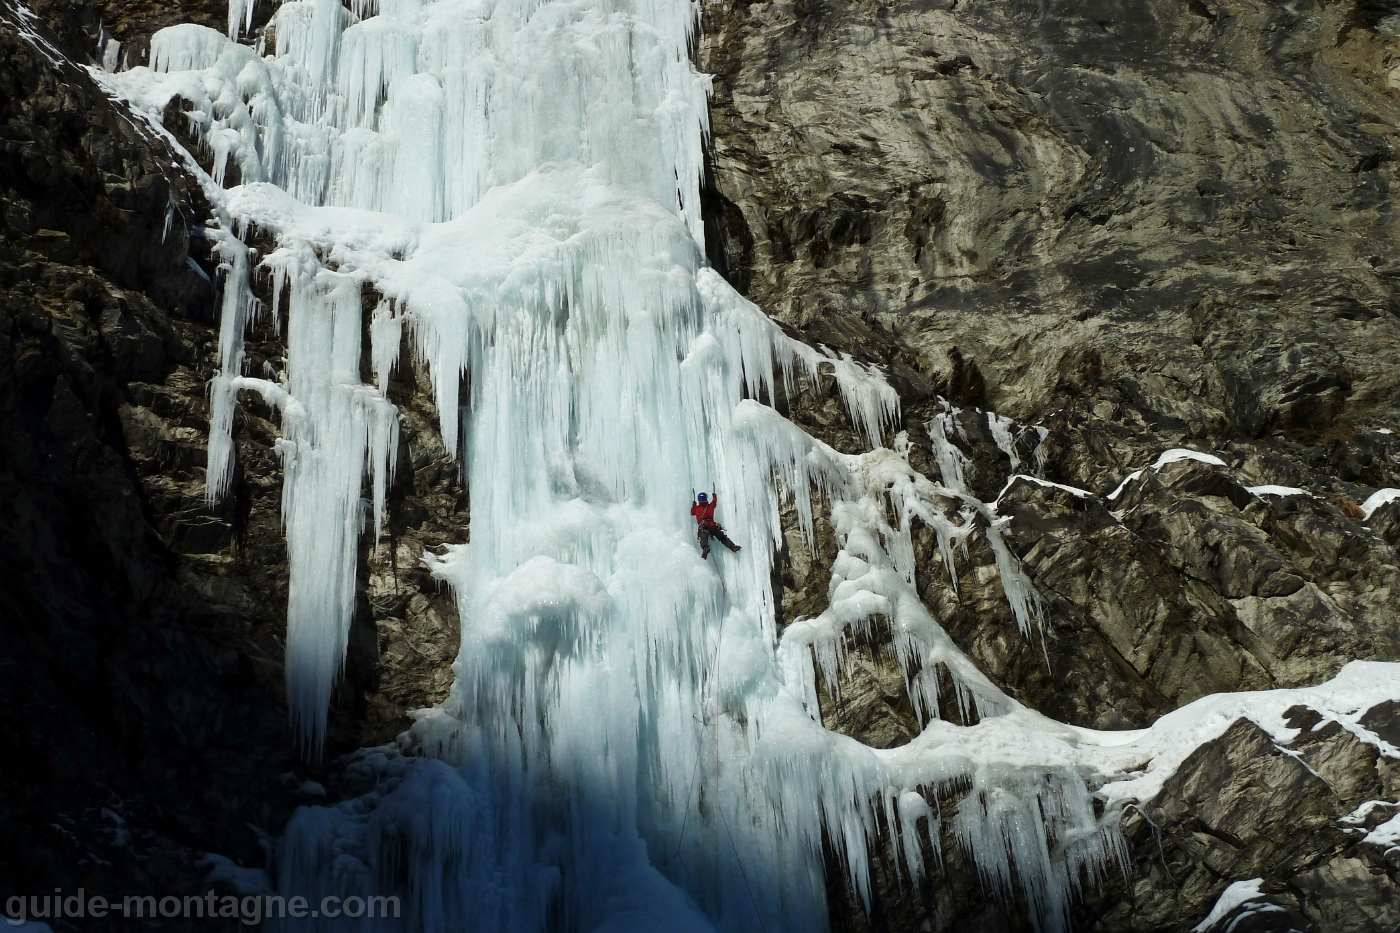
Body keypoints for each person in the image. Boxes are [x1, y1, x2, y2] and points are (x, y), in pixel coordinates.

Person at [690, 491, 741, 560]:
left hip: (703, 527)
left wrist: (694, 505)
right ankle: (733, 547)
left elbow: (692, 512)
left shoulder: (696, 508)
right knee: (723, 538)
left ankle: (706, 548)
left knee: (703, 541)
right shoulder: (710, 506)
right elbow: (714, 502)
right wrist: (714, 495)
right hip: (713, 526)